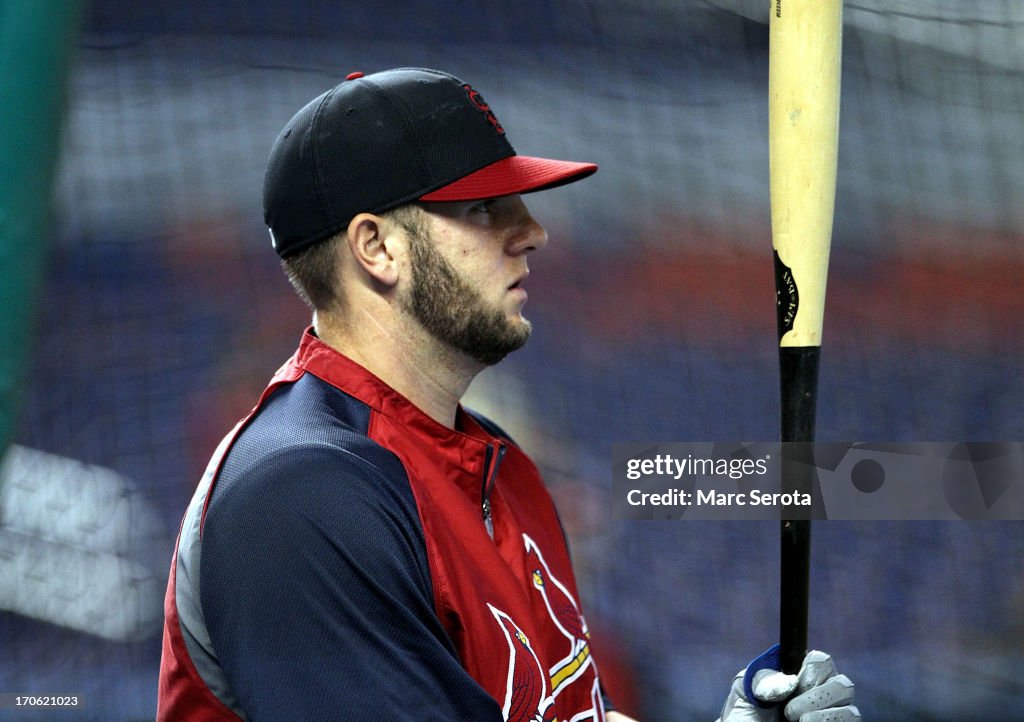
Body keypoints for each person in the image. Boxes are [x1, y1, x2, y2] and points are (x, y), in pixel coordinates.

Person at [156, 67, 859, 721]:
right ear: (376, 248)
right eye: (484, 206)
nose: (533, 231)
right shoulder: (303, 496)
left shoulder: (498, 466)